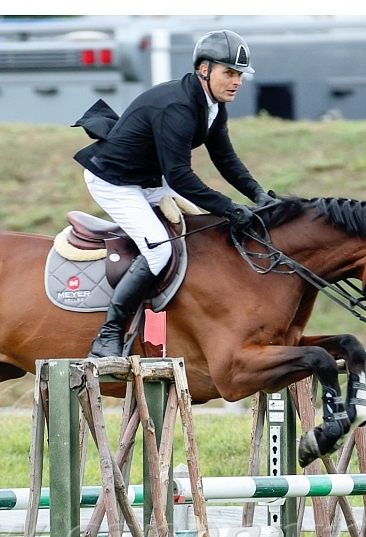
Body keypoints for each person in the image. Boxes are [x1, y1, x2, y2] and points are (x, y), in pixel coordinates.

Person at [73, 29, 275, 359]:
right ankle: (108, 335)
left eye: (239, 74)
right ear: (204, 69)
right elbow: (180, 176)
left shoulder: (212, 105)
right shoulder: (177, 107)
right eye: (229, 72)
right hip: (115, 182)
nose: (236, 81)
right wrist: (230, 208)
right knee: (159, 252)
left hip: (151, 181)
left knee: (200, 237)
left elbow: (224, 158)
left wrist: (257, 195)